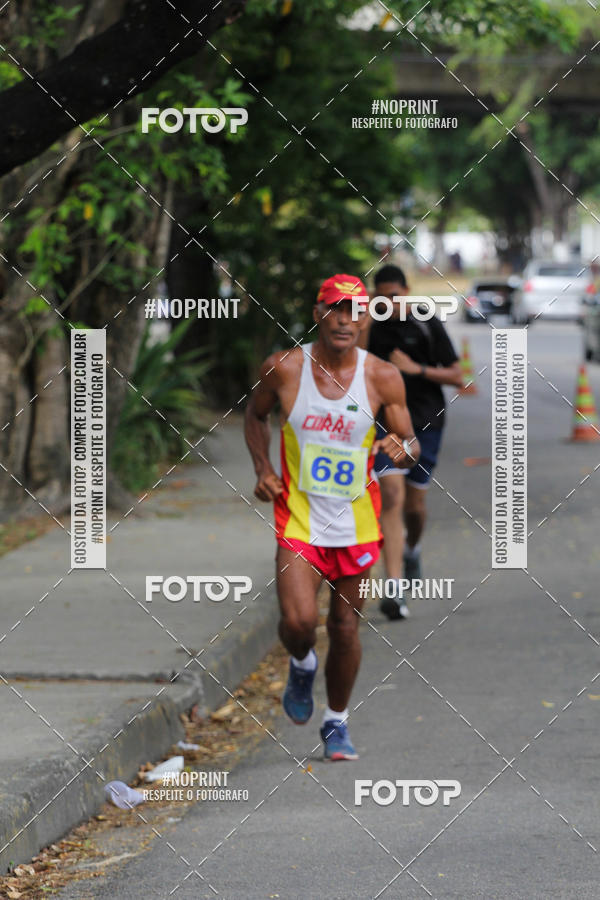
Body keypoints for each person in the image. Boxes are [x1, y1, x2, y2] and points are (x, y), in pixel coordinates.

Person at [244, 274, 420, 760]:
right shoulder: (284, 369)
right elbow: (254, 415)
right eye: (335, 309)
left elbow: (410, 442)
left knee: (345, 628)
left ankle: (336, 722)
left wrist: (399, 447)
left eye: (355, 311)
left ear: (368, 318)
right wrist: (263, 469)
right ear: (318, 313)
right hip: (298, 516)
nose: (346, 320)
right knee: (299, 621)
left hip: (357, 521)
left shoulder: (382, 376)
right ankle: (301, 662)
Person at [364, 264, 463, 620]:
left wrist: (415, 369)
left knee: (414, 506)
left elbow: (457, 375)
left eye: (395, 295)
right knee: (391, 494)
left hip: (425, 421)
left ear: (407, 292)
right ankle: (393, 587)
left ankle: (413, 547)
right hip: (383, 424)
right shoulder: (369, 326)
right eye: (382, 297)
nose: (389, 303)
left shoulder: (425, 321)